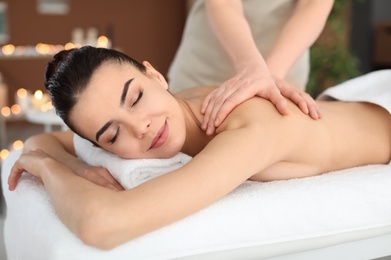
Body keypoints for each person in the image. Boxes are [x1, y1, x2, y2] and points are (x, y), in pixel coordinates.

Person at [8, 47, 391, 250]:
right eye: (111, 136)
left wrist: (50, 170)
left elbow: (101, 225)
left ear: (154, 74)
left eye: (136, 96)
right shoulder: (182, 104)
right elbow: (44, 141)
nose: (140, 127)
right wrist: (70, 165)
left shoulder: (250, 128)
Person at [169, 0, 334, 134]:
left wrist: (270, 76)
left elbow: (313, 4)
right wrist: (254, 71)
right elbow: (224, 3)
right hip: (206, 68)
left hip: (283, 69)